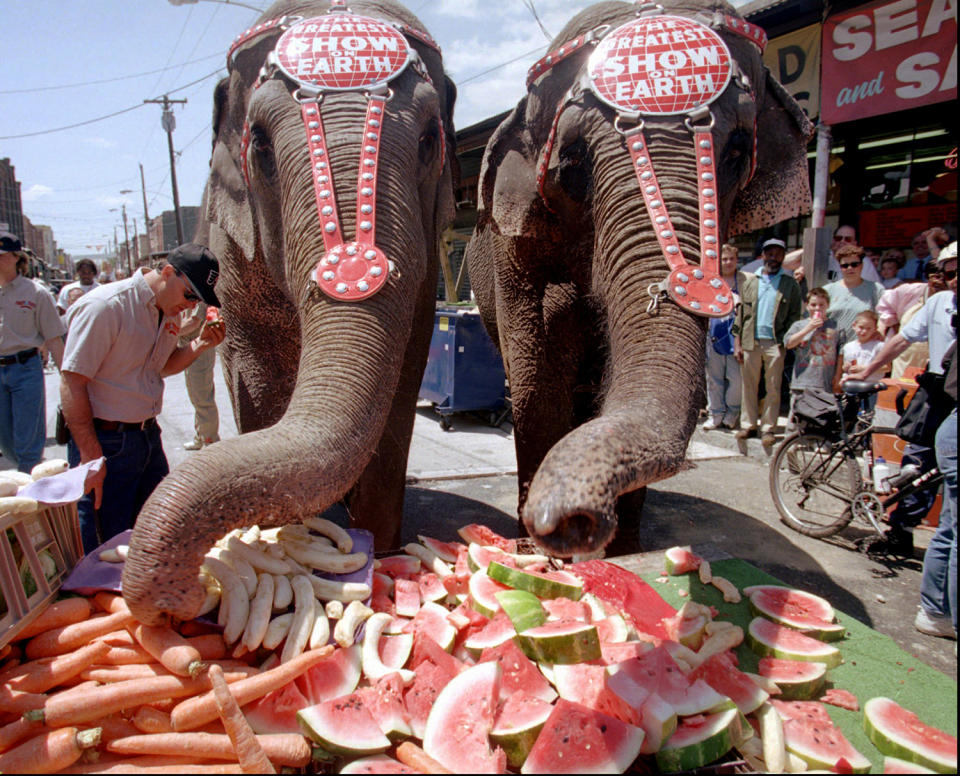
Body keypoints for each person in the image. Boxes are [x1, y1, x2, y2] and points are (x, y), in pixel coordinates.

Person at [60, 243, 225, 553]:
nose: (190, 307)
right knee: (107, 545)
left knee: (156, 535)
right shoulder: (106, 307)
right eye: (189, 295)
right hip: (106, 441)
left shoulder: (166, 310)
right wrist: (90, 453)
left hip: (146, 437)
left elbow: (159, 367)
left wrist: (200, 344)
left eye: (197, 301)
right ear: (166, 273)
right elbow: (72, 382)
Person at [846, 242, 957, 560]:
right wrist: (870, 367)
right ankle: (900, 532)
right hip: (936, 393)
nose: (952, 278)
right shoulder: (938, 305)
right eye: (948, 271)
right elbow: (901, 338)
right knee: (917, 465)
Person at [0, 232, 66, 473]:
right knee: (6, 443)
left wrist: (68, 380)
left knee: (27, 442)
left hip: (25, 368)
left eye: (3, 256)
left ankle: (30, 497)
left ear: (17, 258)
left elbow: (54, 339)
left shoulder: (36, 293)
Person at [733, 238, 803, 446]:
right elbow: (740, 314)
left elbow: (794, 316)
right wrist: (737, 343)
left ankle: (768, 428)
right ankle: (748, 425)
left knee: (773, 386)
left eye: (778, 254)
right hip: (749, 341)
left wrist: (785, 340)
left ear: (783, 257)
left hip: (775, 342)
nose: (773, 258)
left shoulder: (790, 284)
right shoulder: (750, 281)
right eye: (769, 254)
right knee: (749, 385)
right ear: (762, 255)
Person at [877, 259, 949, 378]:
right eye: (936, 277)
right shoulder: (909, 291)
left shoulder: (951, 297)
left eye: (944, 278)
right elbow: (885, 306)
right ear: (927, 278)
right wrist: (895, 329)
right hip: (905, 357)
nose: (940, 282)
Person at [783, 287, 844, 420]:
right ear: (807, 306)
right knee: (795, 419)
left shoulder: (836, 326)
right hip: (802, 382)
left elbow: (841, 353)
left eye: (821, 305)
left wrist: (837, 377)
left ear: (828, 305)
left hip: (825, 382)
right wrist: (809, 328)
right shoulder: (799, 325)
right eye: (813, 305)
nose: (817, 308)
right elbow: (789, 344)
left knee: (821, 419)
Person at [703, 244, 741, 430]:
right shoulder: (711, 282)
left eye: (731, 259)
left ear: (736, 260)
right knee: (714, 378)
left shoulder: (744, 281)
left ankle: (732, 413)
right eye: (724, 259)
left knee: (736, 379)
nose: (727, 262)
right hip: (714, 335)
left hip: (736, 336)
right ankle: (716, 414)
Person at [178, 302, 220, 450]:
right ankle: (201, 436)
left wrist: (170, 330)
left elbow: (193, 323)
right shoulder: (189, 293)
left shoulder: (200, 297)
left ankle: (211, 441)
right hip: (189, 346)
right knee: (196, 396)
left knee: (203, 397)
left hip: (199, 348)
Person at [823, 244, 884, 340]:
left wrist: (880, 334)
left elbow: (884, 317)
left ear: (862, 265)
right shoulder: (827, 290)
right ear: (840, 267)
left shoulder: (876, 289)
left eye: (854, 264)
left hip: (863, 348)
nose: (850, 268)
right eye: (845, 265)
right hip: (831, 347)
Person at [784, 224, 882, 284]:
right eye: (838, 238)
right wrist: (814, 248)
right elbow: (785, 263)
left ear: (855, 243)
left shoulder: (863, 262)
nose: (842, 241)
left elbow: (872, 290)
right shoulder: (822, 256)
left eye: (847, 239)